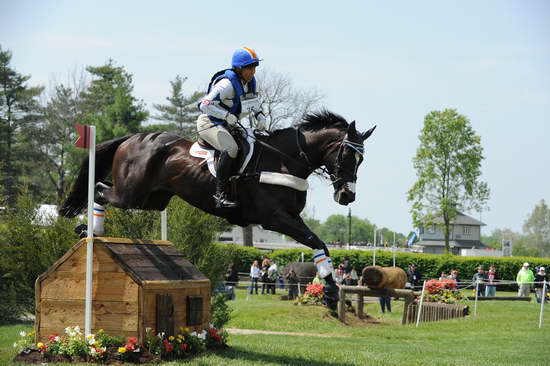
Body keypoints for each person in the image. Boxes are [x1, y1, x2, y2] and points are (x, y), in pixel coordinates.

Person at [196, 47, 266, 208]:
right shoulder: (226, 84)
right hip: (209, 122)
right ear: (239, 68)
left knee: (253, 144)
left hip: (228, 125)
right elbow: (204, 105)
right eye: (249, 68)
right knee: (231, 148)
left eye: (254, 67)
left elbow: (252, 102)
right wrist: (226, 116)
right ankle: (220, 195)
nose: (253, 72)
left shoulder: (249, 83)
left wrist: (259, 115)